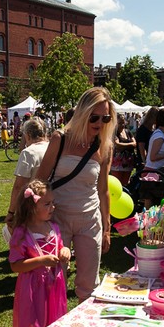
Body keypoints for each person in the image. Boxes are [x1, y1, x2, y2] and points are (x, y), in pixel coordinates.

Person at [36, 87, 115, 300]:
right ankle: (54, 320)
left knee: (89, 286)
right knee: (53, 281)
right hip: (57, 219)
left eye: (105, 118)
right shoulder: (60, 139)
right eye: (94, 117)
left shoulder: (105, 146)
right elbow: (40, 181)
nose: (99, 123)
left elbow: (104, 190)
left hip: (90, 220)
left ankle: (85, 321)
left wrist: (107, 228)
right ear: (82, 113)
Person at [8, 179, 70, 327]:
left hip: (55, 285)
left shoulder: (53, 227)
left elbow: (60, 246)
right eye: (47, 204)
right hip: (32, 288)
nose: (53, 207)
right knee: (33, 323)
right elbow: (15, 265)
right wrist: (41, 261)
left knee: (54, 321)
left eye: (53, 203)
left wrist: (65, 251)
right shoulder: (22, 233)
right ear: (32, 207)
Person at [6, 116, 50, 225]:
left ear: (28, 135)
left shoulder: (28, 153)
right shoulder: (52, 148)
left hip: (34, 205)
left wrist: (11, 212)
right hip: (53, 201)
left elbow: (19, 186)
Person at [110, 116, 137, 186]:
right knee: (117, 184)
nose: (122, 125)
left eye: (123, 123)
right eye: (120, 123)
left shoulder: (128, 132)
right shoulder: (113, 133)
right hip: (117, 164)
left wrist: (123, 146)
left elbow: (135, 144)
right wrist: (130, 145)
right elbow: (117, 145)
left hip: (128, 162)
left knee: (126, 184)